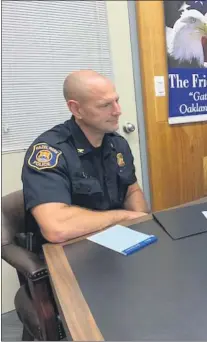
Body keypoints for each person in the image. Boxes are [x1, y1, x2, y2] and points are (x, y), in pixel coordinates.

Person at [22, 70, 149, 251]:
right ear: (76, 109)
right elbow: (56, 228)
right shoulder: (50, 151)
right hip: (70, 251)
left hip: (118, 243)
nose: (117, 111)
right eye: (105, 105)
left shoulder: (116, 143)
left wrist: (142, 225)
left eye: (117, 101)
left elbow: (131, 191)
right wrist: (123, 216)